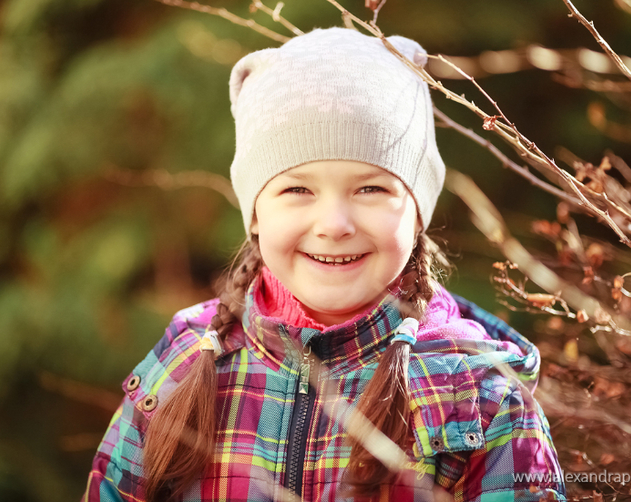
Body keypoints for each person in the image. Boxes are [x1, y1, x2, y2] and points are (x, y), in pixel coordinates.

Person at [83, 27, 566, 502]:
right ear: (255, 213)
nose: (334, 224)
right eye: (298, 190)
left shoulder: (478, 396)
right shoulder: (182, 364)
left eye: (371, 188)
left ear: (418, 211)